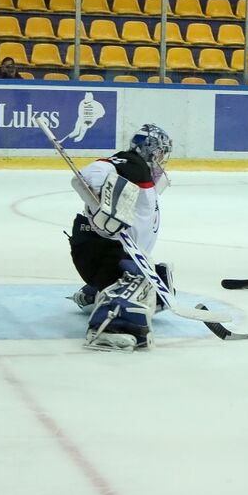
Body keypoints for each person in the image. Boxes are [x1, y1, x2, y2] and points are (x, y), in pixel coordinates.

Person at [67, 124, 174, 352]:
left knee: (161, 283)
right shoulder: (134, 163)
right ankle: (107, 327)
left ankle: (97, 291)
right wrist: (101, 201)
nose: (162, 159)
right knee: (142, 280)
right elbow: (86, 176)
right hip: (102, 249)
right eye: (161, 153)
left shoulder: (144, 177)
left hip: (109, 250)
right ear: (151, 151)